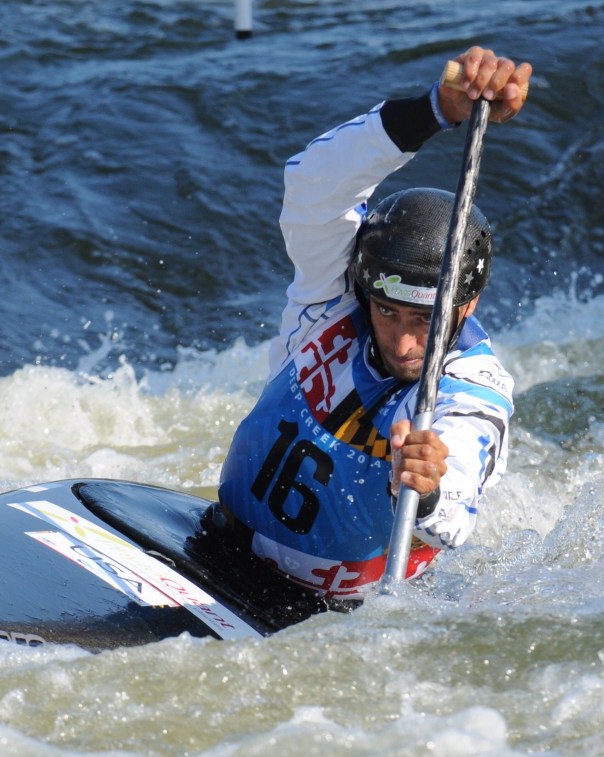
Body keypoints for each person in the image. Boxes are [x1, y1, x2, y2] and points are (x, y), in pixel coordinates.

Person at [216, 47, 532, 599]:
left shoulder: (474, 393)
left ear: (468, 305)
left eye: (425, 319)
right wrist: (436, 109)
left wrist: (427, 489)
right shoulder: (335, 291)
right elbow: (315, 184)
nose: (406, 341)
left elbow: (455, 520)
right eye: (387, 311)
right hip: (221, 550)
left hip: (334, 613)